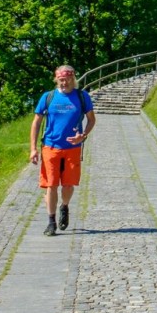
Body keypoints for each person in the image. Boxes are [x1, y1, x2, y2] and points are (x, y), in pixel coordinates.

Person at [29, 65, 96, 237]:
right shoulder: (48, 97)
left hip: (73, 148)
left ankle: (64, 206)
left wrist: (83, 135)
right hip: (50, 146)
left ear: (73, 79)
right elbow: (36, 122)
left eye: (67, 79)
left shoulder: (82, 97)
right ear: (56, 79)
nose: (64, 82)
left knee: (68, 185)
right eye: (60, 79)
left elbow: (91, 120)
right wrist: (33, 149)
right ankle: (51, 222)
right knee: (51, 185)